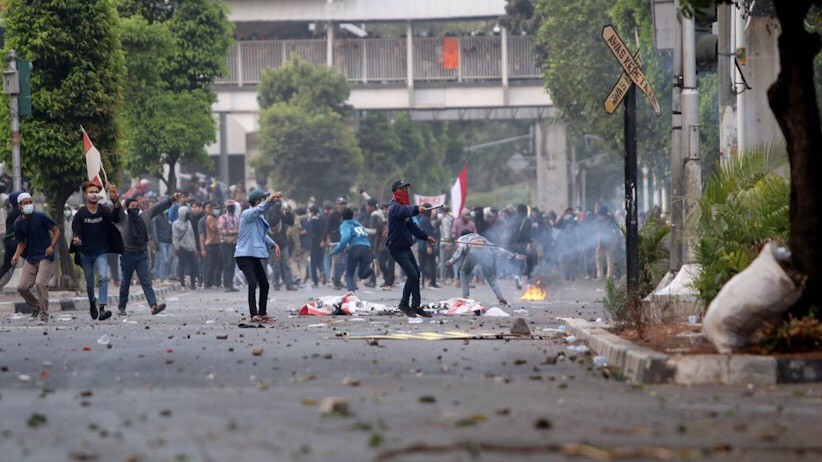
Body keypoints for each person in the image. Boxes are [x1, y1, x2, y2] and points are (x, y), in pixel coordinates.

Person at [112, 193, 180, 316]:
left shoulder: (144, 217)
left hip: (141, 255)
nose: (135, 208)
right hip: (127, 255)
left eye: (137, 206)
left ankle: (153, 306)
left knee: (146, 281)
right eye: (132, 206)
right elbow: (117, 208)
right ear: (127, 208)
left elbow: (157, 208)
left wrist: (172, 199)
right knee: (125, 282)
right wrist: (115, 197)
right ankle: (121, 308)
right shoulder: (123, 218)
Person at [70, 182, 122, 321]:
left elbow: (116, 218)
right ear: (85, 195)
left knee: (103, 277)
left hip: (101, 251)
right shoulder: (81, 214)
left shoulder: (103, 210)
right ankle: (92, 302)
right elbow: (76, 230)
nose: (94, 194)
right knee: (90, 283)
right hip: (85, 253)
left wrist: (116, 202)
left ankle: (102, 308)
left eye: (96, 192)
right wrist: (77, 239)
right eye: (91, 192)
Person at [386, 180, 436, 318]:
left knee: (417, 274)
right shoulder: (394, 207)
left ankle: (416, 306)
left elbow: (412, 227)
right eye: (402, 189)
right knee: (412, 275)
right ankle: (403, 304)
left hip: (405, 246)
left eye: (406, 188)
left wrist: (426, 237)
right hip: (396, 248)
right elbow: (404, 211)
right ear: (395, 192)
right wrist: (416, 209)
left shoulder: (404, 207)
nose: (405, 191)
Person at [235, 189, 283, 323]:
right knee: (252, 282)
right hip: (244, 255)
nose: (266, 201)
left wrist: (274, 245)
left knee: (264, 283)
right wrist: (271, 200)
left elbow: (262, 235)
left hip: (253, 254)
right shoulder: (247, 214)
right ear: (257, 202)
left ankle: (262, 312)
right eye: (263, 199)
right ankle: (253, 314)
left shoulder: (259, 217)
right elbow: (259, 210)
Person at [11, 193, 61, 322]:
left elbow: (56, 231)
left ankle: (43, 315)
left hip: (45, 255)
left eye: (30, 202)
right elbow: (21, 244)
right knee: (22, 287)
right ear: (20, 206)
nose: (28, 205)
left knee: (40, 283)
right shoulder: (18, 223)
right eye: (25, 203)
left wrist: (52, 245)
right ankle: (36, 305)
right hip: (31, 257)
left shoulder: (40, 217)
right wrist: (16, 256)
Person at [446, 229, 526, 306]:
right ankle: (500, 297)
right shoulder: (480, 237)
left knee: (463, 272)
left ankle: (465, 296)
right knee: (490, 277)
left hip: (474, 252)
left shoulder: (462, 238)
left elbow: (461, 248)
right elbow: (495, 248)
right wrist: (513, 255)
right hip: (487, 253)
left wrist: (451, 260)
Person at [331, 207, 374, 292]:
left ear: (342, 217)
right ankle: (372, 267)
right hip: (366, 247)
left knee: (349, 274)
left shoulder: (345, 224)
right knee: (362, 275)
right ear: (353, 215)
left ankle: (351, 294)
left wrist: (336, 250)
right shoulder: (358, 223)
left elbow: (345, 238)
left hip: (355, 247)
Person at [172, 206, 198, 288]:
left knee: (193, 266)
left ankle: (193, 283)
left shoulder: (189, 223)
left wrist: (194, 246)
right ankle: (182, 284)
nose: (188, 215)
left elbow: (192, 235)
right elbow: (175, 236)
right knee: (182, 267)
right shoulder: (176, 224)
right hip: (182, 247)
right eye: (187, 213)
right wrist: (176, 247)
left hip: (190, 247)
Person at [416, 203, 440, 289]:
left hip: (422, 245)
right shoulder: (425, 220)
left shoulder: (422, 219)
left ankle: (422, 282)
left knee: (422, 264)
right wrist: (429, 246)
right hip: (426, 246)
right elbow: (426, 234)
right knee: (431, 264)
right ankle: (432, 282)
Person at [0, 192, 22, 283]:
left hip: (8, 241)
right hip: (15, 240)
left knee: (7, 265)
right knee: (33, 257)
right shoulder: (19, 212)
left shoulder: (13, 211)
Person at [324, 197, 346, 289]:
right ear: (337, 205)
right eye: (340, 204)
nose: (342, 206)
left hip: (345, 241)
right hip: (335, 242)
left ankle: (339, 279)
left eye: (343, 204)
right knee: (337, 262)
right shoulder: (333, 215)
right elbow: (327, 228)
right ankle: (335, 282)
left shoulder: (347, 215)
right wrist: (324, 240)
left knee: (344, 263)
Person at [218, 200, 240, 291]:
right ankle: (227, 285)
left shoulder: (236, 218)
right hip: (225, 243)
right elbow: (222, 231)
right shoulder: (222, 217)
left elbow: (240, 230)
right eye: (230, 206)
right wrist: (233, 232)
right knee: (227, 264)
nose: (232, 208)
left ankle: (231, 284)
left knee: (232, 264)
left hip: (234, 243)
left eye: (233, 206)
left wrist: (234, 232)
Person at [202, 202, 222, 288]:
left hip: (217, 242)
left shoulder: (215, 218)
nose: (217, 210)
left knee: (217, 264)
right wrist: (220, 226)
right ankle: (208, 283)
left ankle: (216, 282)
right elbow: (214, 228)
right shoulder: (210, 218)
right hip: (211, 243)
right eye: (215, 209)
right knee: (211, 264)